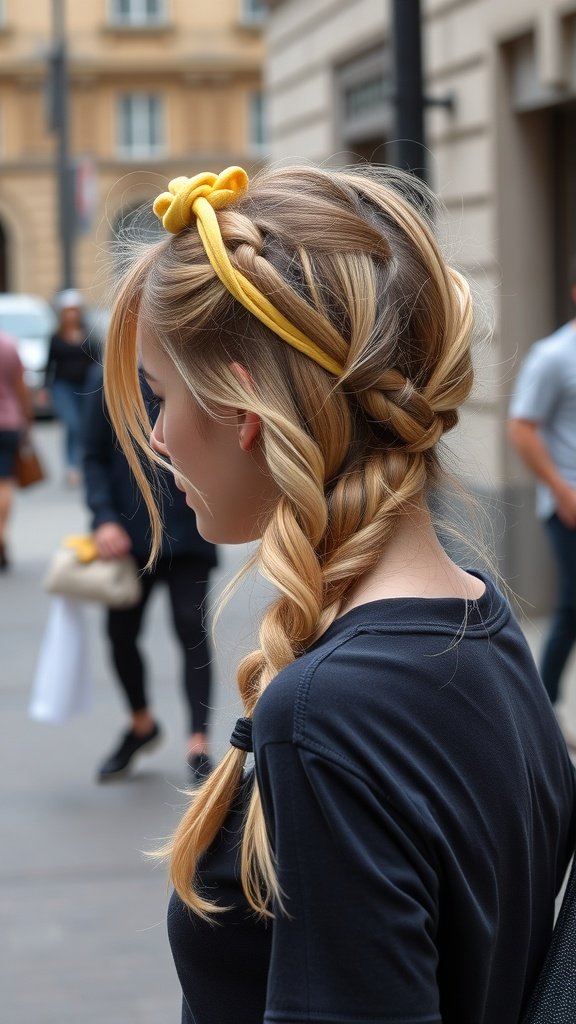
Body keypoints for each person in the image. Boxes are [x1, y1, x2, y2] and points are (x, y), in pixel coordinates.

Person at [102, 165, 576, 1023]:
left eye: (162, 397)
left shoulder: (326, 714)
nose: (162, 438)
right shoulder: (485, 626)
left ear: (243, 407)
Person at [82, 362, 217, 782]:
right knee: (120, 634)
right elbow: (92, 456)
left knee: (189, 629)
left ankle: (199, 742)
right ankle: (141, 725)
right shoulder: (108, 377)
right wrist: (103, 518)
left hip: (189, 528)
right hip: (129, 536)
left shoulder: (191, 362)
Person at [508, 288, 576, 711]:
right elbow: (521, 428)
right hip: (569, 506)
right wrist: (561, 489)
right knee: (572, 606)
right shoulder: (553, 356)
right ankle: (543, 706)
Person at [44, 288, 94, 485]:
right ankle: (72, 465)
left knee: (84, 426)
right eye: (68, 310)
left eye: (75, 310)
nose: (72, 314)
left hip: (86, 386)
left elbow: (96, 361)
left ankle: (82, 464)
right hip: (63, 386)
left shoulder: (89, 334)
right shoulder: (56, 337)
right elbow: (49, 364)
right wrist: (45, 389)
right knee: (72, 424)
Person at [0, 332, 32, 569]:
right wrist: (27, 421)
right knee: (4, 482)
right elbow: (21, 388)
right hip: (8, 422)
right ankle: (1, 532)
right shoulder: (8, 345)